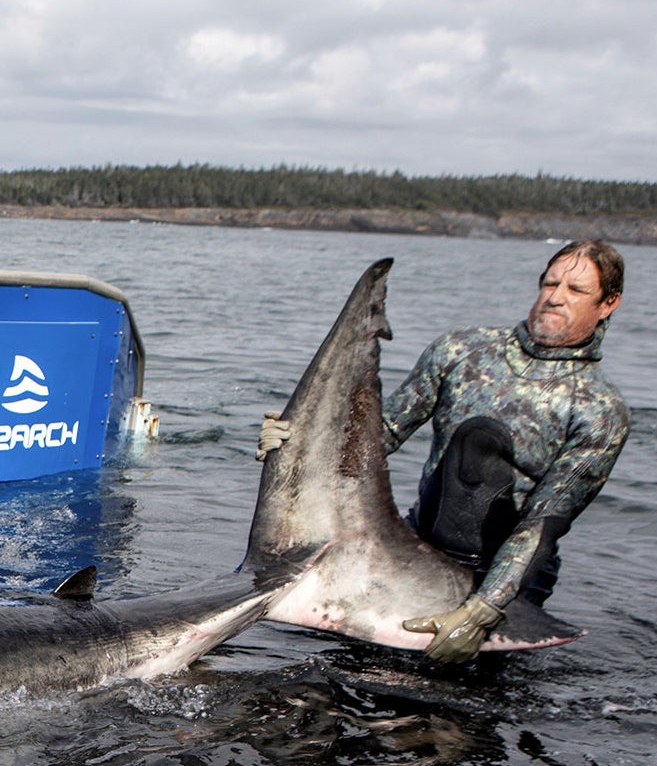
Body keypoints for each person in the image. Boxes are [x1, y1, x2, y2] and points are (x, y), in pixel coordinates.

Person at [259, 240, 630, 663]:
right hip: (414, 552)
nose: (555, 296)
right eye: (550, 283)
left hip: (507, 577)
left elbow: (541, 525)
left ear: (608, 303)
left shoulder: (600, 411)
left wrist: (484, 610)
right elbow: (378, 438)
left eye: (576, 290)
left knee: (452, 716)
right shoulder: (461, 352)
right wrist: (297, 448)